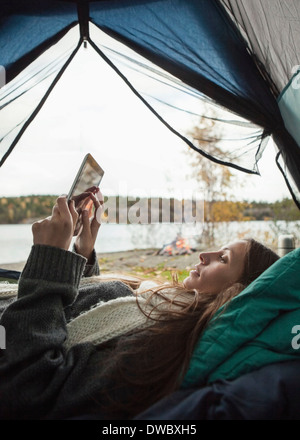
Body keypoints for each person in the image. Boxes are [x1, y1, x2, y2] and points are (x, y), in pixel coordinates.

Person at [0, 194, 279, 420]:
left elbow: (30, 388)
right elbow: (83, 311)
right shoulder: (165, 301)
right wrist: (84, 252)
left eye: (224, 258)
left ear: (234, 292)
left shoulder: (158, 345)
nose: (204, 255)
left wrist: (50, 260)